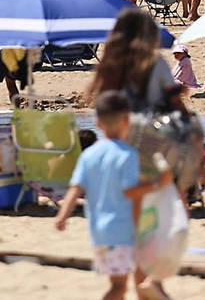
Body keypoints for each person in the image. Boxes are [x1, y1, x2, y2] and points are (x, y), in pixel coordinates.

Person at [54, 89, 175, 300]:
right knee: (134, 283)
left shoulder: (89, 154)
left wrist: (63, 215)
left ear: (98, 123)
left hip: (100, 233)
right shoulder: (127, 155)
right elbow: (129, 191)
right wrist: (157, 184)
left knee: (118, 286)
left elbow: (75, 188)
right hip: (125, 230)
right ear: (127, 121)